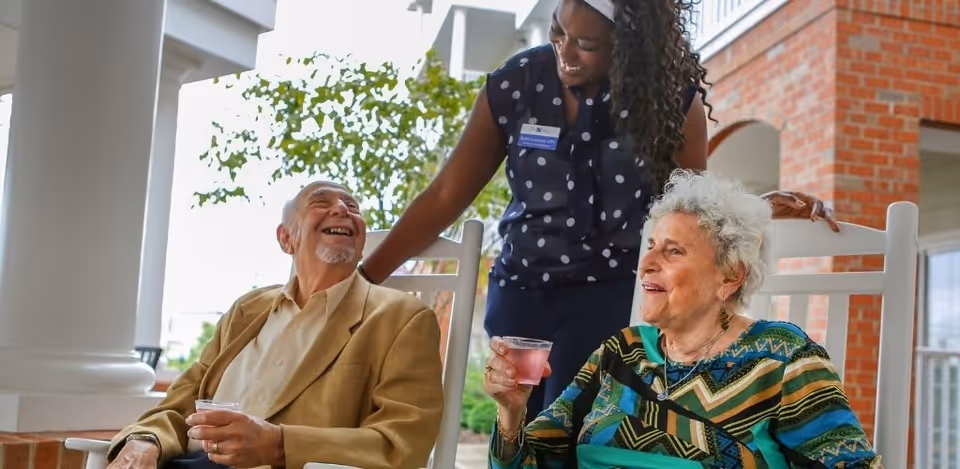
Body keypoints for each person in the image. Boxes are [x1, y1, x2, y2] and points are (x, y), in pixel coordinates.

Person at [358, 0, 840, 420]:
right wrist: (365, 279)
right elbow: (446, 195)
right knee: (516, 433)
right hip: (521, 295)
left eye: (585, 44)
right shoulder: (514, 86)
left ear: (626, 43)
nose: (564, 52)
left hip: (610, 300)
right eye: (558, 33)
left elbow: (691, 212)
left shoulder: (672, 105)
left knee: (577, 434)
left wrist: (753, 210)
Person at [481, 170, 879, 468]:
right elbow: (530, 460)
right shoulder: (622, 351)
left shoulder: (782, 358)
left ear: (729, 276)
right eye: (651, 247)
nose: (646, 264)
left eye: (673, 252)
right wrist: (512, 412)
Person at [105, 181, 444, 469]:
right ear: (286, 239)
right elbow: (180, 402)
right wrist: (144, 443)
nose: (342, 210)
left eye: (352, 207)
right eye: (321, 203)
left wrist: (279, 444)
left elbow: (403, 442)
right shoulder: (247, 310)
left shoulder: (402, 318)